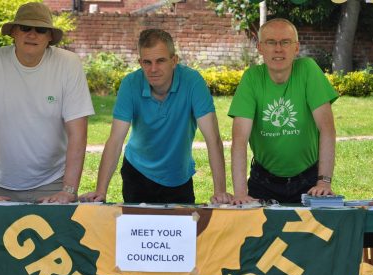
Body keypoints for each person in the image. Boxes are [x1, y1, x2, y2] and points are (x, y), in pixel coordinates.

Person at [0, 2, 94, 203]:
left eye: (41, 29)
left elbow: (78, 131)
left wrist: (69, 190)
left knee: (53, 235)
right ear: (13, 32)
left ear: (50, 37)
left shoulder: (69, 64)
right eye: (25, 28)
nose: (32, 34)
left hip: (52, 183)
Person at [81, 29, 230, 204]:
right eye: (147, 62)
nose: (153, 69)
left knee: (180, 231)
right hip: (137, 171)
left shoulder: (193, 82)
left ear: (174, 61)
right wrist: (101, 190)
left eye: (160, 61)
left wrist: (220, 191)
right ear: (140, 62)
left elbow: (213, 139)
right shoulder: (130, 84)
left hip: (178, 176)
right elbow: (115, 140)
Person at [229, 18, 339, 204]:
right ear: (260, 47)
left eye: (285, 42)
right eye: (271, 42)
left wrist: (324, 183)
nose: (278, 49)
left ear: (296, 48)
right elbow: (239, 140)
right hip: (263, 180)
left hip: (309, 181)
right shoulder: (252, 79)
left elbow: (327, 130)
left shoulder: (308, 70)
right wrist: (240, 193)